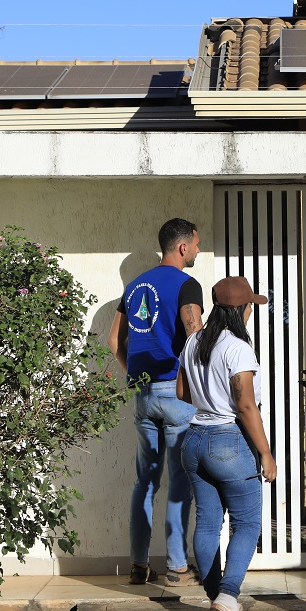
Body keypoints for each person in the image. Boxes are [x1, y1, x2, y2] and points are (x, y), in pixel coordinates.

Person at [107, 218, 204, 587]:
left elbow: (115, 340)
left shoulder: (133, 287)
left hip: (144, 395)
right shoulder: (186, 284)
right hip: (176, 395)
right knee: (180, 481)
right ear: (182, 247)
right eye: (195, 244)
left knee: (144, 483)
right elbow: (193, 335)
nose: (196, 250)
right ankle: (177, 566)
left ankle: (138, 565)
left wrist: (133, 374)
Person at [177, 275, 277, 611]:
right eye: (250, 305)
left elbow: (182, 393)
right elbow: (246, 406)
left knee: (207, 521)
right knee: (247, 523)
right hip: (229, 440)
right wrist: (266, 454)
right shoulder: (237, 347)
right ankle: (228, 596)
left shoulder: (193, 342)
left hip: (194, 439)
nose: (251, 310)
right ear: (241, 309)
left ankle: (215, 596)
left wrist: (209, 397)